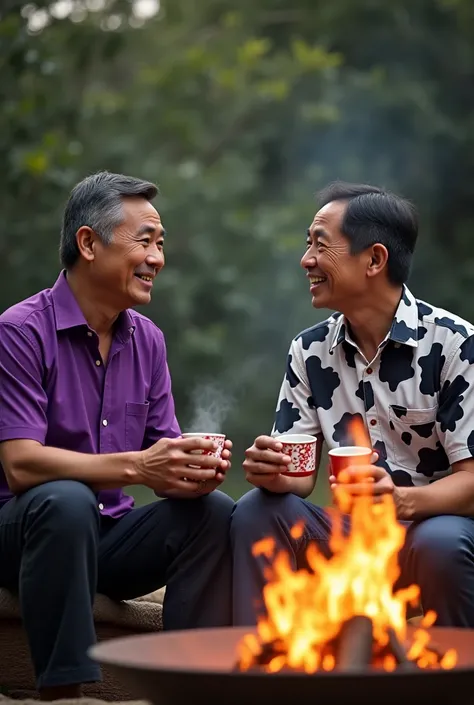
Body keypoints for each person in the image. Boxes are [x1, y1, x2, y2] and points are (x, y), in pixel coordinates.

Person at [0, 171, 234, 701]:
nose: (158, 259)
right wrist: (140, 467)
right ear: (88, 243)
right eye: (145, 241)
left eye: (160, 244)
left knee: (215, 511)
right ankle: (67, 689)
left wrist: (192, 470)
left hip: (106, 536)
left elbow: (161, 463)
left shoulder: (147, 340)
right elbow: (21, 465)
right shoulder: (20, 331)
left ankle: (187, 683)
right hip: (27, 534)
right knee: (65, 499)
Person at [231, 181, 474, 629]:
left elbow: (472, 481)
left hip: (432, 532)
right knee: (255, 509)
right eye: (308, 246)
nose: (307, 260)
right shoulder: (309, 351)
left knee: (444, 543)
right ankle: (256, 672)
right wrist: (273, 469)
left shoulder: (456, 345)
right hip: (349, 538)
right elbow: (299, 478)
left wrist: (401, 501)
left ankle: (454, 684)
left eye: (321, 246)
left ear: (375, 260)